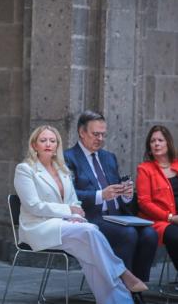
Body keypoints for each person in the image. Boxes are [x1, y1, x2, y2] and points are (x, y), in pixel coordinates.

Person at [14, 124, 148, 304]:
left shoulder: (63, 170)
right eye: (43, 140)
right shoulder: (25, 169)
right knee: (90, 231)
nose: (48, 144)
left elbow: (74, 202)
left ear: (57, 146)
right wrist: (69, 211)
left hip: (65, 226)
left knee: (92, 257)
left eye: (52, 141)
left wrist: (75, 215)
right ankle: (123, 273)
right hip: (38, 227)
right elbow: (33, 206)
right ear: (34, 145)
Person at [64, 110, 158, 303]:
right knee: (128, 234)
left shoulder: (108, 157)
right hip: (91, 219)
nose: (100, 139)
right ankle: (122, 290)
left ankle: (136, 288)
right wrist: (101, 195)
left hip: (117, 216)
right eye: (95, 134)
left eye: (103, 134)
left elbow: (120, 195)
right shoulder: (69, 158)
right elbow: (70, 195)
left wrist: (126, 194)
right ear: (82, 132)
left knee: (150, 234)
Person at [136, 125, 178, 272]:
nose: (156, 144)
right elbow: (144, 203)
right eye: (153, 141)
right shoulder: (145, 169)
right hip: (159, 222)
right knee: (175, 235)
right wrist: (170, 217)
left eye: (160, 140)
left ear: (168, 143)